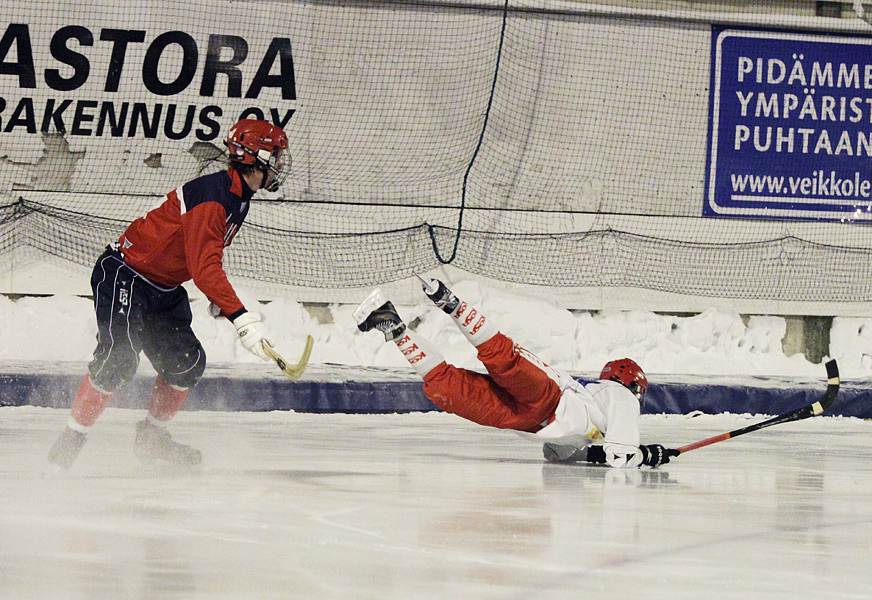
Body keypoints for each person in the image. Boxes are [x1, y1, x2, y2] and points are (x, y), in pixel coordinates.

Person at [46, 118, 291, 473]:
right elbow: (205, 266)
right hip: (126, 274)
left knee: (186, 364)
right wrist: (243, 318)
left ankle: (151, 437)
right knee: (118, 360)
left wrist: (220, 298)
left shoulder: (238, 197)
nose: (280, 165)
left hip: (163, 288)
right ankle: (65, 449)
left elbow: (200, 256)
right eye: (277, 155)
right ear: (256, 155)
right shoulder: (214, 198)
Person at [353, 278, 679, 468]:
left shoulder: (600, 409)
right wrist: (648, 455)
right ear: (631, 383)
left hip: (528, 420)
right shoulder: (621, 396)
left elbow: (556, 453)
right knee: (502, 359)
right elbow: (622, 458)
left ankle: (393, 325)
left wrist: (597, 452)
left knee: (449, 391)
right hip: (551, 399)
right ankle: (452, 303)